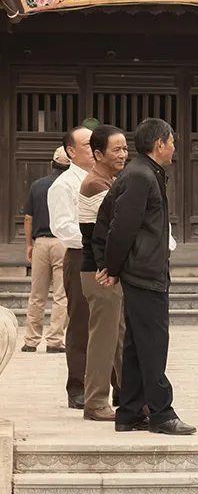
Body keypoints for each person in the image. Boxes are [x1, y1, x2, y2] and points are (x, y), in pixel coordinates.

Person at [92, 117, 195, 435]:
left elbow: (110, 216)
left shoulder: (144, 173)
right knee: (153, 342)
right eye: (172, 141)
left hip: (143, 269)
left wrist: (112, 265)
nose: (175, 147)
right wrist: (111, 266)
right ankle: (162, 413)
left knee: (137, 344)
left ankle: (130, 412)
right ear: (159, 144)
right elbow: (120, 225)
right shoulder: (141, 175)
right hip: (144, 271)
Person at [78, 125, 128, 422]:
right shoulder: (97, 185)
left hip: (106, 272)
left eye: (125, 148)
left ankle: (129, 393)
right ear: (98, 154)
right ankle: (95, 401)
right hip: (100, 273)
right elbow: (111, 234)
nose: (123, 154)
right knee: (104, 340)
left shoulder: (107, 180)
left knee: (120, 336)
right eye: (117, 149)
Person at [48, 126, 94, 408]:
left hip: (109, 255)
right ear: (71, 151)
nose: (94, 148)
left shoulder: (111, 178)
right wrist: (98, 237)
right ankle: (77, 386)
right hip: (81, 255)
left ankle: (113, 382)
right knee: (80, 323)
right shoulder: (63, 185)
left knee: (113, 324)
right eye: (88, 144)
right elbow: (63, 229)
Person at [21, 147, 70, 353]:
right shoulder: (70, 185)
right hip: (63, 242)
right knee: (61, 295)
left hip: (41, 242)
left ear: (52, 164)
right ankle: (55, 341)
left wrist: (29, 245)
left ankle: (31, 341)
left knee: (37, 294)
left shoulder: (37, 185)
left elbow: (28, 218)